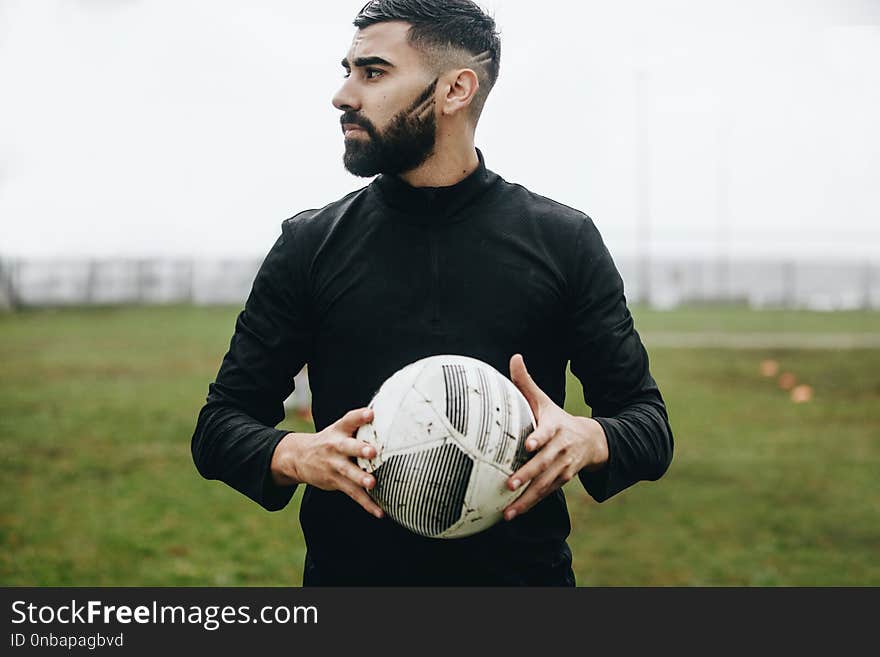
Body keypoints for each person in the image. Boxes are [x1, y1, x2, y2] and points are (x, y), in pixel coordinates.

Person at [191, 0, 674, 586]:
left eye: (372, 73)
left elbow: (648, 425)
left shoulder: (563, 241)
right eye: (347, 71)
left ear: (455, 90)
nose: (344, 95)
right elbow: (219, 427)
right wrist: (294, 454)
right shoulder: (309, 244)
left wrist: (588, 437)